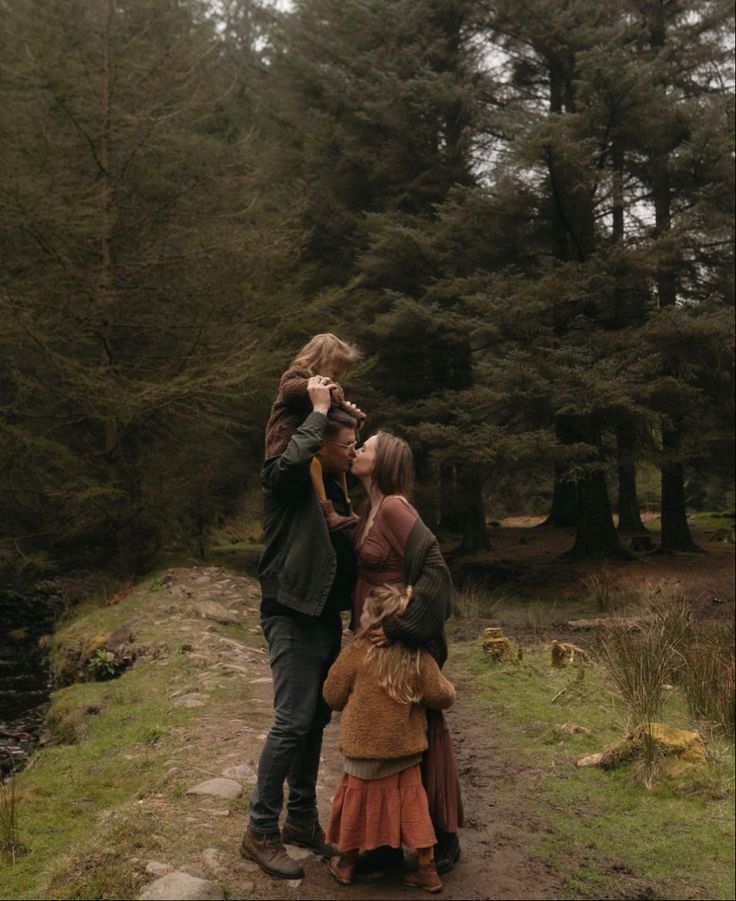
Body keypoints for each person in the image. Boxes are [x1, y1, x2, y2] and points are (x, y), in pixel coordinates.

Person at [240, 375, 360, 880]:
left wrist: (343, 415)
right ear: (320, 445)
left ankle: (302, 822)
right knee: (291, 722)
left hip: (323, 615)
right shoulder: (289, 478)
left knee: (313, 722)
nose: (354, 452)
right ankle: (259, 832)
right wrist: (314, 410)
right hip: (291, 612)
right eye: (347, 445)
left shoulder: (330, 481)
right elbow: (288, 462)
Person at [350, 432, 464, 874]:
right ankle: (384, 843)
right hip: (376, 645)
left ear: (384, 462)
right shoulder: (370, 508)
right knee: (384, 736)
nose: (357, 449)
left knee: (418, 732)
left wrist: (400, 627)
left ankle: (440, 837)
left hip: (400, 645)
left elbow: (436, 572)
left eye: (367, 447)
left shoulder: (396, 507)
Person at [323, 583, 455, 894]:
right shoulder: (415, 655)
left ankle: (346, 865)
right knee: (413, 808)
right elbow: (441, 696)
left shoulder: (355, 652)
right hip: (403, 752)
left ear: (370, 618)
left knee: (356, 804)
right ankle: (427, 871)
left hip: (361, 750)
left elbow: (331, 694)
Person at [265, 333, 365, 531]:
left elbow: (341, 407)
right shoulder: (295, 377)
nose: (336, 378)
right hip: (287, 445)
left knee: (339, 462)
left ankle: (346, 507)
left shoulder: (333, 388)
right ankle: (327, 512)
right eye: (335, 372)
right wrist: (319, 388)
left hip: (314, 443)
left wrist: (356, 417)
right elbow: (292, 391)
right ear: (320, 361)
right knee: (314, 461)